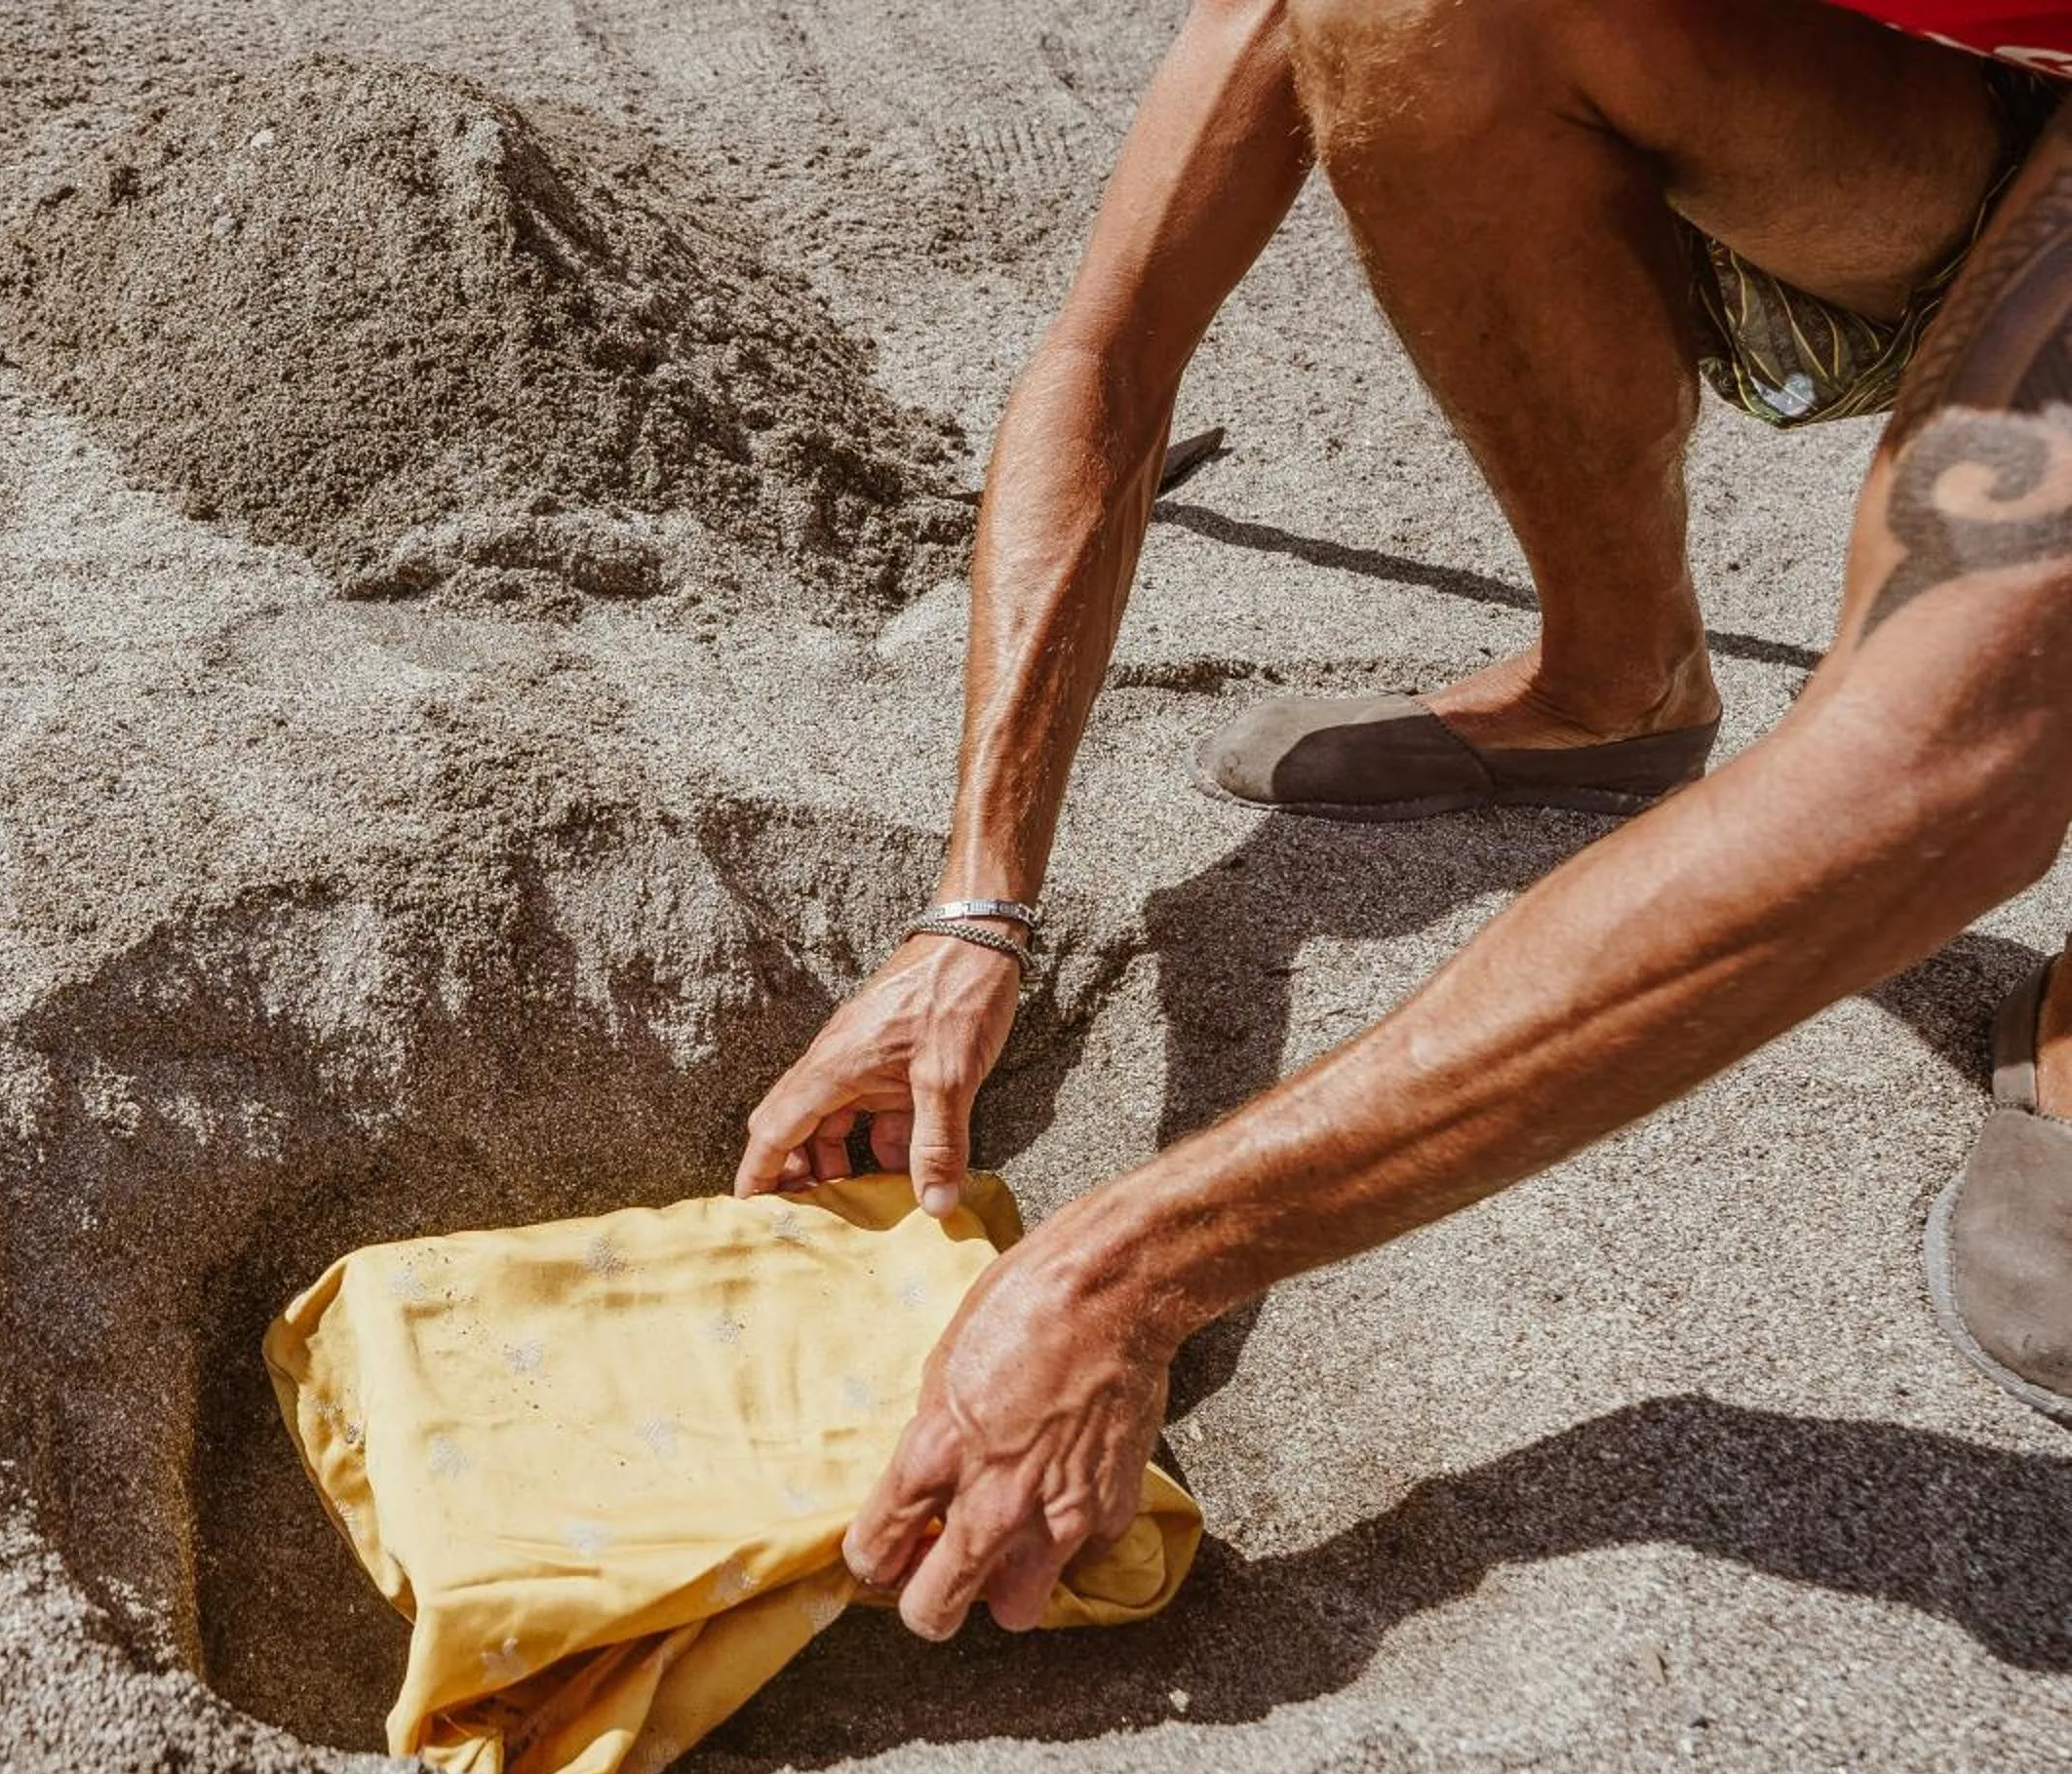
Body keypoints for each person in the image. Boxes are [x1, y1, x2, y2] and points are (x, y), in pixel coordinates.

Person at [735, 0, 2072, 1645]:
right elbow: (1112, 349)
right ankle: (1617, 684)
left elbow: (1940, 772)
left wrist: (1131, 1267)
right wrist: (973, 906)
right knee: (1420, 17)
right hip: (1941, 101)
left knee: (2007, 672)